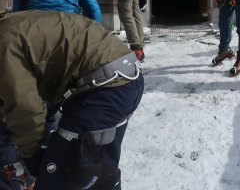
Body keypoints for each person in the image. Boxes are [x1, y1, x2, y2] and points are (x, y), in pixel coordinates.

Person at [0, 10, 144, 190]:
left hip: (104, 88)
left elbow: (25, 108)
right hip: (125, 77)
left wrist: (33, 156)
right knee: (97, 171)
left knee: (61, 177)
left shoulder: (4, 46)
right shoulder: (11, 25)